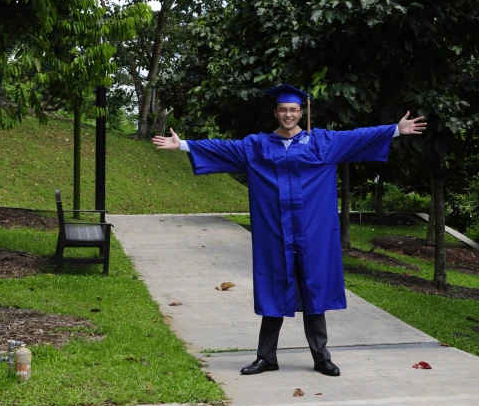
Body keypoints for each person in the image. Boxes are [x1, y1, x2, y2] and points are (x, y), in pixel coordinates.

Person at [152, 84, 426, 377]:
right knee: (273, 289)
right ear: (275, 112)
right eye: (283, 109)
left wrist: (395, 130)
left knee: (314, 291)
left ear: (301, 112)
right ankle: (266, 357)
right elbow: (223, 146)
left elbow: (358, 137)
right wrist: (182, 145)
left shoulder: (321, 143)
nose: (288, 114)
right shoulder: (257, 146)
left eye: (293, 110)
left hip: (313, 235)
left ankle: (322, 358)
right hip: (275, 234)